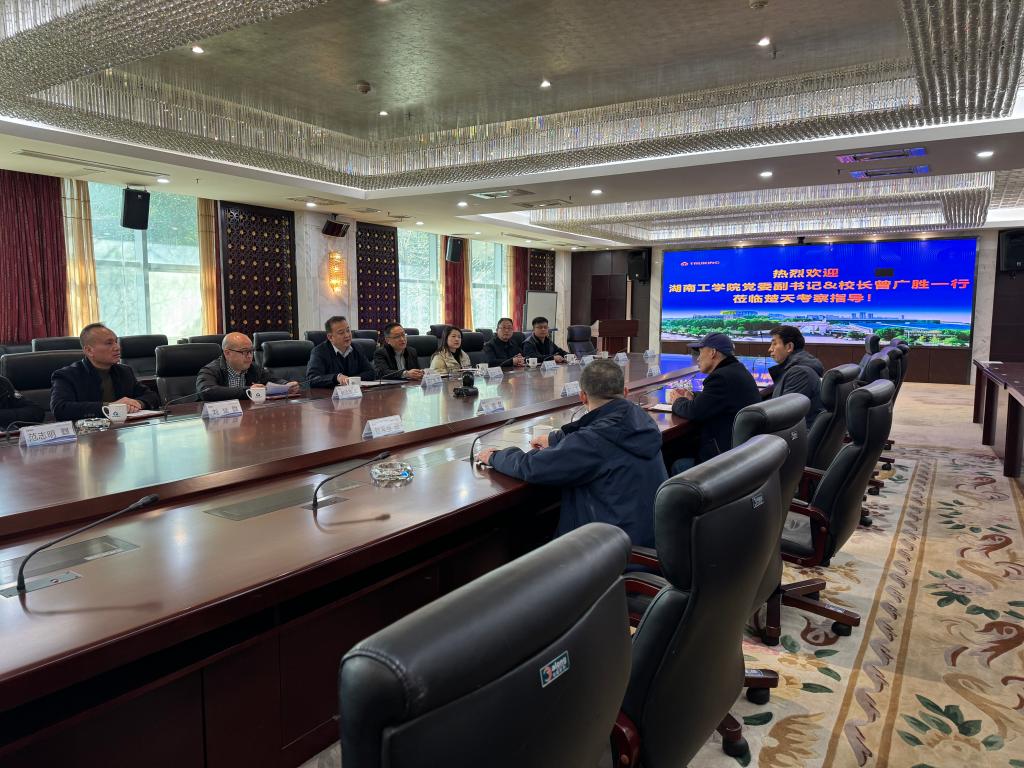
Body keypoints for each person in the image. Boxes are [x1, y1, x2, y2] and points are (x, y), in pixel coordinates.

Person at [476, 359, 665, 547]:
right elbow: (600, 428)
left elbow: (532, 467)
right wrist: (556, 439)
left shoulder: (593, 441)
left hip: (610, 550)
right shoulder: (642, 419)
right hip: (649, 537)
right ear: (625, 392)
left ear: (582, 396)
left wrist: (495, 456)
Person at [664, 332, 760, 468]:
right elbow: (716, 398)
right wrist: (693, 396)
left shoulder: (720, 378)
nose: (698, 358)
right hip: (743, 452)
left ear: (712, 352)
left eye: (700, 352)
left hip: (724, 458)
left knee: (673, 459)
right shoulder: (736, 370)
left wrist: (678, 400)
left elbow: (694, 411)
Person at [50, 323, 161, 421]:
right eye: (109, 343)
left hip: (123, 431)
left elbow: (152, 396)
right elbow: (60, 409)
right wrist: (110, 407)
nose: (117, 347)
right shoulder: (67, 375)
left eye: (116, 342)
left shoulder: (124, 371)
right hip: (88, 435)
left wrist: (137, 403)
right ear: (89, 350)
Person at [197, 332, 300, 401]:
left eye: (251, 351)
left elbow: (273, 380)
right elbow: (207, 391)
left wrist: (286, 385)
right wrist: (248, 390)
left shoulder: (254, 368)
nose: (250, 356)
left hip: (248, 415)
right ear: (227, 353)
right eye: (245, 352)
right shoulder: (210, 370)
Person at [767, 324, 823, 428]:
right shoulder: (796, 367)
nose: (770, 349)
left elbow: (785, 416)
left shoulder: (800, 373)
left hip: (797, 434)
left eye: (774, 344)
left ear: (789, 347)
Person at [306, 315, 375, 387]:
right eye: (341, 333)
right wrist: (336, 378)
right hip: (330, 393)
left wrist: (350, 380)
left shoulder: (356, 348)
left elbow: (371, 372)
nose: (347, 335)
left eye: (348, 330)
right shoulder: (319, 352)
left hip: (355, 392)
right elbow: (313, 379)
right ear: (330, 337)